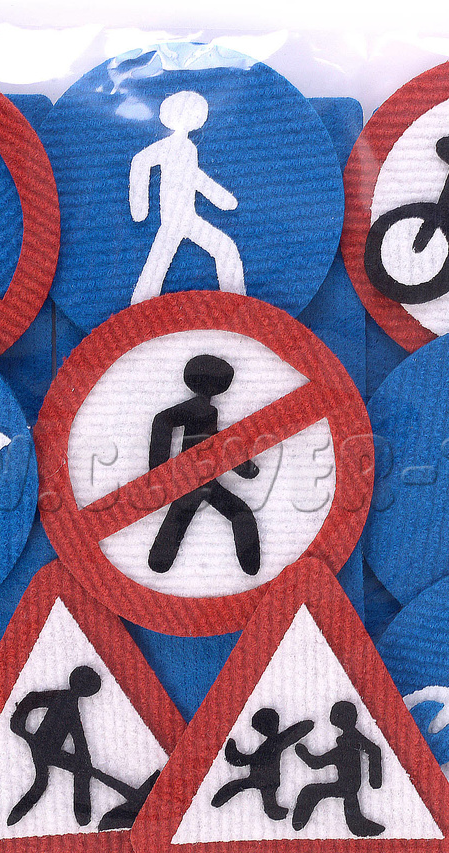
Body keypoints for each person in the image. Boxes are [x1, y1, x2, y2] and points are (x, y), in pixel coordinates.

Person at [147, 354, 261, 575]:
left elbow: (216, 443)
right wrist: (158, 469)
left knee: (185, 515)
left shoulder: (208, 411)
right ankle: (159, 560)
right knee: (236, 513)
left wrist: (244, 467)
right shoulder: (197, 407)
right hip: (193, 477)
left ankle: (160, 560)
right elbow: (163, 421)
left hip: (204, 477)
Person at [129, 90, 245, 303]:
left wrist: (221, 198)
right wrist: (140, 207)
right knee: (157, 264)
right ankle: (138, 308)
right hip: (172, 220)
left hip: (188, 218)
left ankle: (237, 304)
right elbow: (140, 161)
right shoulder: (167, 146)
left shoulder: (190, 148)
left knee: (225, 248)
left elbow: (194, 177)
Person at [7, 665, 155, 830]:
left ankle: (83, 813)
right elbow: (31, 699)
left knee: (55, 779)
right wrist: (21, 730)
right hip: (41, 747)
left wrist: (85, 759)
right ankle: (82, 813)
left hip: (50, 750)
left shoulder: (71, 706)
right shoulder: (61, 698)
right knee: (46, 781)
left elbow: (78, 736)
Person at [292, 700, 386, 837]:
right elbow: (374, 750)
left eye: (335, 715)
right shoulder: (351, 738)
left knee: (310, 791)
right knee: (324, 793)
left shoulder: (350, 741)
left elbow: (316, 763)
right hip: (350, 783)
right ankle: (357, 823)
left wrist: (375, 780)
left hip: (347, 783)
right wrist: (375, 780)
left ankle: (299, 821)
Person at [211, 709, 314, 820]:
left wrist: (234, 755)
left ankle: (274, 810)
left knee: (241, 786)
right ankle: (274, 810)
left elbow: (292, 734)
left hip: (261, 778)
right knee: (265, 796)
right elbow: (292, 734)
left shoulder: (274, 743)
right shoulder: (275, 742)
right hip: (267, 779)